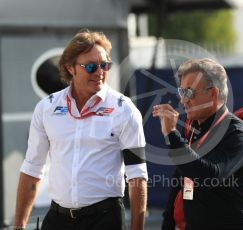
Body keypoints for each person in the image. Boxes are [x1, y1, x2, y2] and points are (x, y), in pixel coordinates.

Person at [13, 30, 148, 230]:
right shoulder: (46, 108)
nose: (100, 72)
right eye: (91, 66)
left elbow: (137, 176)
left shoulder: (124, 109)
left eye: (105, 65)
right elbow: (32, 169)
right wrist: (19, 225)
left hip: (104, 219)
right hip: (57, 218)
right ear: (70, 68)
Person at [152, 58, 243, 229]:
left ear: (213, 94)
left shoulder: (238, 133)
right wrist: (168, 224)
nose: (183, 101)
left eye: (189, 93)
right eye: (181, 92)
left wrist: (172, 134)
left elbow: (210, 176)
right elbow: (182, 178)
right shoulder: (195, 130)